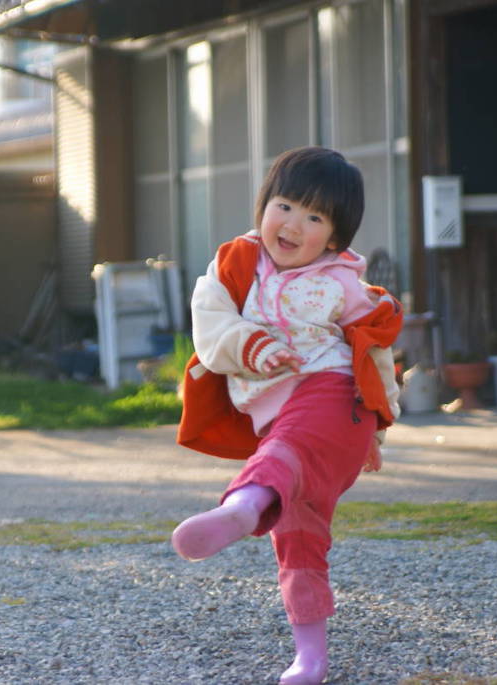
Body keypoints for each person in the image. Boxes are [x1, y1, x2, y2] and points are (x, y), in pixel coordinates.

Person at [172, 146, 402, 685]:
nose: (294, 224)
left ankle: (243, 506)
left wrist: (377, 426)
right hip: (279, 425)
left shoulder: (344, 284)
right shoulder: (234, 267)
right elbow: (209, 327)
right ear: (263, 206)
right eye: (285, 205)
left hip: (334, 394)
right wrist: (252, 346)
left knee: (288, 451)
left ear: (336, 237)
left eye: (315, 217)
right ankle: (310, 656)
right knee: (298, 532)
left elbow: (374, 356)